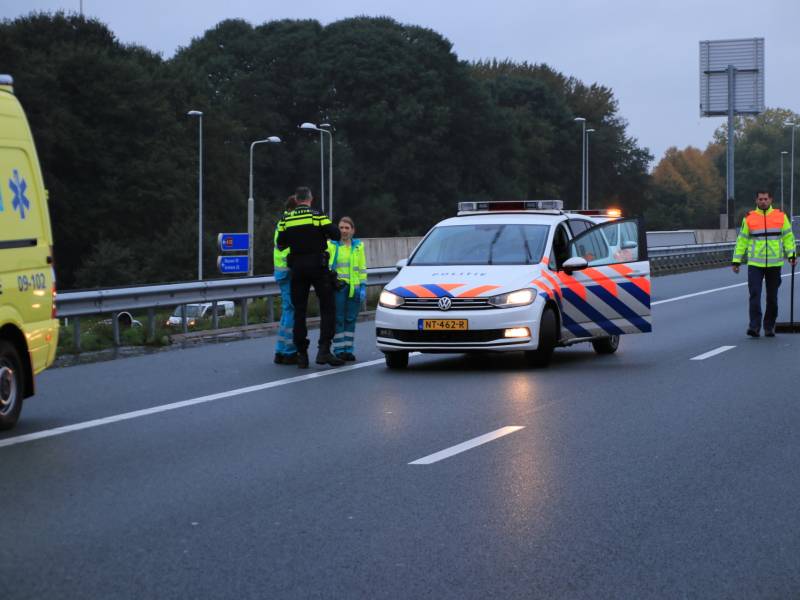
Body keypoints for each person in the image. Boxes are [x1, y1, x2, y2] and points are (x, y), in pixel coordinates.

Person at [276, 187, 344, 368]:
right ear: (310, 199)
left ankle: (302, 354)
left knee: (299, 310)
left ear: (296, 200)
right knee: (327, 307)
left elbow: (280, 244)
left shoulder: (286, 218)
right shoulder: (316, 215)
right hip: (318, 267)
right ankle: (324, 350)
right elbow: (336, 234)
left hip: (297, 268)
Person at [732, 190, 797, 337]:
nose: (763, 201)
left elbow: (788, 237)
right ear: (756, 201)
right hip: (755, 264)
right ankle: (754, 327)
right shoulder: (749, 218)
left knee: (772, 297)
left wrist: (792, 255)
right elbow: (741, 240)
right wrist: (736, 261)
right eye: (760, 199)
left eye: (765, 199)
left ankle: (769, 326)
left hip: (774, 264)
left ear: (770, 200)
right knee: (754, 295)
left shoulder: (780, 216)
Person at [328, 216, 368, 361]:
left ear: (353, 230)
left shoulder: (358, 247)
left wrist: (363, 286)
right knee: (339, 319)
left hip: (354, 289)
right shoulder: (332, 246)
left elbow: (362, 268)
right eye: (341, 228)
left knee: (350, 319)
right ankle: (339, 350)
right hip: (339, 288)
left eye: (347, 228)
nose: (344, 231)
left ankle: (348, 349)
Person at [273, 195, 298, 365]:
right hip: (289, 272)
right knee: (291, 311)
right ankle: (289, 351)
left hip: (281, 272)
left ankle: (280, 350)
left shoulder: (282, 222)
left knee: (286, 311)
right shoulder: (291, 222)